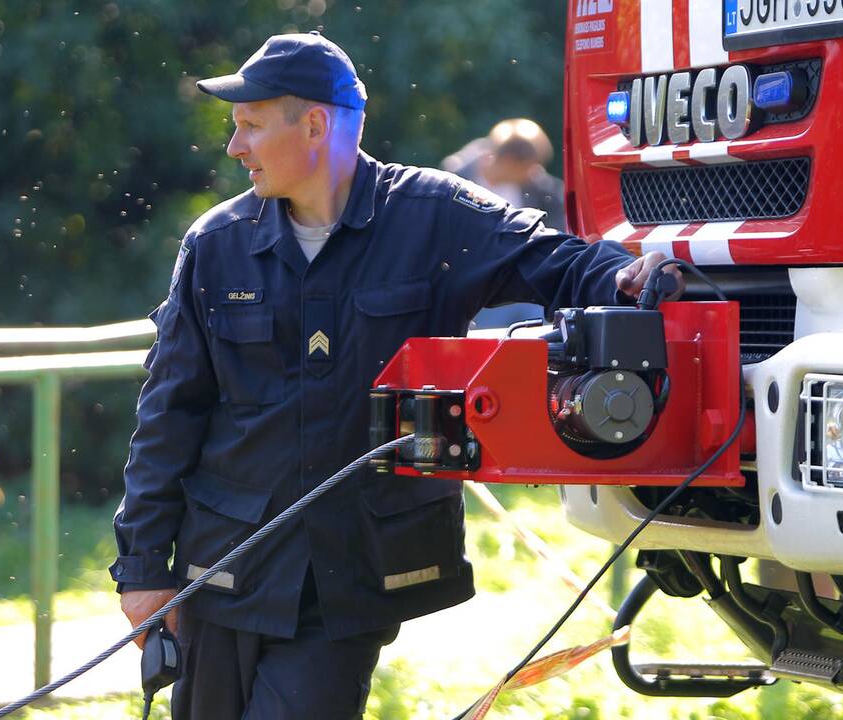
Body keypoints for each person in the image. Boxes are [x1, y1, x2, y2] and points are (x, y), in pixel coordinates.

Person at [111, 31, 679, 720]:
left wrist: (625, 275)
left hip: (347, 581)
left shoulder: (435, 217)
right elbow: (168, 413)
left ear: (315, 124)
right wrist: (142, 570)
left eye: (251, 126)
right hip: (222, 572)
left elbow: (556, 261)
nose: (235, 147)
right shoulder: (214, 245)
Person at [442, 119, 566, 329]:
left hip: (519, 284)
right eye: (528, 168)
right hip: (472, 286)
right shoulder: (453, 182)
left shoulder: (542, 191)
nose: (534, 175)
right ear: (509, 160)